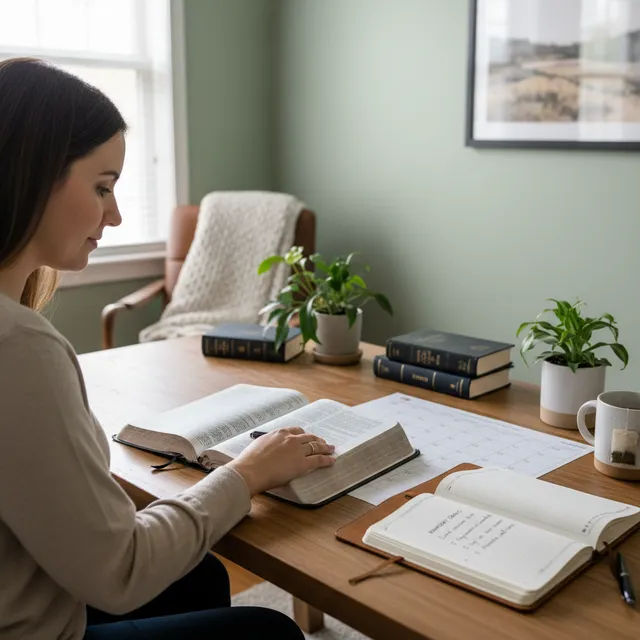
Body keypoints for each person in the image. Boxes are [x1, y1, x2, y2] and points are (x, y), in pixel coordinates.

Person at [0, 57, 336, 640]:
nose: (116, 213)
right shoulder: (19, 346)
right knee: (267, 633)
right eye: (102, 186)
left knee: (198, 578)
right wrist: (248, 474)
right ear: (30, 173)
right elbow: (120, 573)